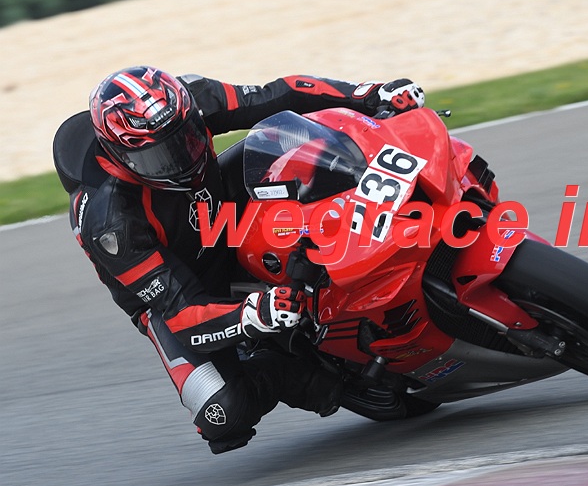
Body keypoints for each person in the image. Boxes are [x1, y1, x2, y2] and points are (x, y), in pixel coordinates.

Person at [52, 66, 425, 454]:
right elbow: (181, 314)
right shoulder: (111, 222)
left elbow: (278, 94)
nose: (181, 158)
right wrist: (253, 314)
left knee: (294, 144)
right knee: (223, 411)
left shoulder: (191, 99)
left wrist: (368, 94)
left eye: (187, 137)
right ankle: (299, 367)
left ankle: (395, 216)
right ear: (121, 156)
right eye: (160, 156)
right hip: (177, 289)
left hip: (220, 212)